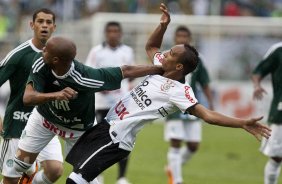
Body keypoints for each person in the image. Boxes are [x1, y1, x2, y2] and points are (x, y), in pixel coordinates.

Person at [65, 3, 271, 184]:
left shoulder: (180, 91)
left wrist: (242, 122)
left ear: (179, 65)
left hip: (117, 138)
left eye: (171, 53)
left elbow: (208, 115)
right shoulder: (161, 66)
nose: (164, 54)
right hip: (106, 126)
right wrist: (163, 26)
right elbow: (151, 46)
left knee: (75, 180)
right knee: (84, 177)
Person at [12, 36, 164, 184]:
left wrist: (160, 69)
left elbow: (125, 71)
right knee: (20, 164)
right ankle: (31, 172)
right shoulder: (40, 61)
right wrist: (57, 95)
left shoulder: (86, 77)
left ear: (56, 60)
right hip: (44, 120)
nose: (42, 50)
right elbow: (28, 98)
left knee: (84, 178)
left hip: (78, 130)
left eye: (46, 50)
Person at [0, 9, 64, 184]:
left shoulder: (60, 56)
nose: (44, 25)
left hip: (45, 124)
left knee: (55, 169)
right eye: (40, 21)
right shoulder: (18, 55)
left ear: (54, 27)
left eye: (48, 22)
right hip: (17, 124)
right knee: (10, 180)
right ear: (32, 25)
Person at [85, 21, 134, 184]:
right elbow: (89, 73)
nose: (113, 34)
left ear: (120, 34)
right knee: (100, 139)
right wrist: (102, 85)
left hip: (122, 104)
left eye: (116, 31)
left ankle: (121, 177)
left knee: (123, 138)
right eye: (110, 31)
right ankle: (98, 173)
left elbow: (131, 74)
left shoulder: (128, 51)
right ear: (106, 33)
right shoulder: (96, 51)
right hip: (102, 103)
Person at [164, 25, 214, 184]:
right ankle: (177, 180)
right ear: (175, 39)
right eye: (179, 36)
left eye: (185, 36)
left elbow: (204, 82)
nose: (182, 39)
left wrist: (210, 102)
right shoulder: (169, 57)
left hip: (192, 105)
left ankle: (172, 167)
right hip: (173, 105)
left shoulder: (198, 58)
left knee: (193, 146)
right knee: (176, 142)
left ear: (189, 39)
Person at [252, 43, 282, 184]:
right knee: (276, 157)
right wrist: (257, 85)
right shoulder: (278, 50)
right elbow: (258, 71)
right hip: (280, 112)